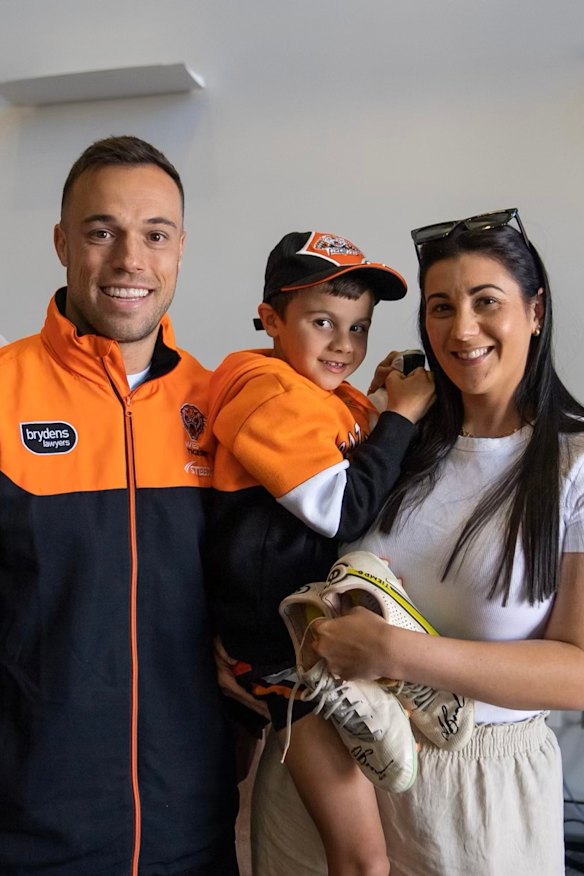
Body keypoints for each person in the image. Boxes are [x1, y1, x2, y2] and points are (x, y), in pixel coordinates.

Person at [251, 208, 584, 876]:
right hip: (321, 777)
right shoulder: (397, 435)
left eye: (486, 301)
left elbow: (577, 670)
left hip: (473, 802)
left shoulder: (572, 462)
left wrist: (398, 652)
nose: (461, 330)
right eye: (440, 308)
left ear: (536, 309)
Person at [0, 136, 239, 875]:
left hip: (194, 833)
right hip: (28, 839)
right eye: (102, 231)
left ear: (179, 249)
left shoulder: (226, 406)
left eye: (154, 235)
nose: (130, 259)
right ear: (63, 243)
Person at [206, 229, 436, 876]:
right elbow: (341, 507)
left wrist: (388, 397)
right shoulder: (269, 392)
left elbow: (358, 447)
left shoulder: (317, 394)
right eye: (322, 322)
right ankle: (394, 695)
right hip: (281, 653)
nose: (344, 345)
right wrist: (403, 417)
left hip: (299, 635)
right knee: (363, 859)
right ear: (272, 319)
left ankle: (407, 689)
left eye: (358, 328)